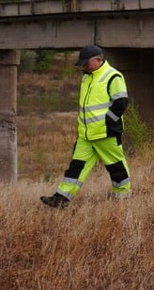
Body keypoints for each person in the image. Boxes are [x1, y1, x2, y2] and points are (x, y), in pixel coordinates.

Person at [40, 45, 131, 208]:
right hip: (86, 136)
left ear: (98, 59)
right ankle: (61, 199)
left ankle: (123, 198)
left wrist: (107, 122)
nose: (84, 66)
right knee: (75, 168)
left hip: (106, 133)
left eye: (86, 63)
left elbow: (121, 102)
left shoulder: (113, 76)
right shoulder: (86, 77)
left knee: (116, 167)